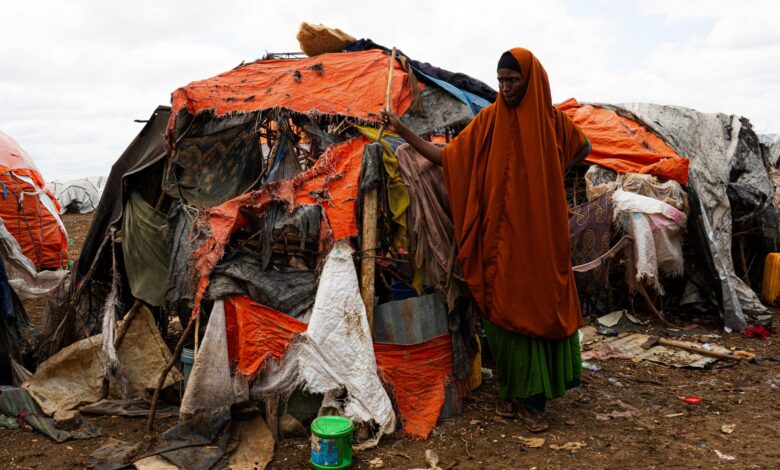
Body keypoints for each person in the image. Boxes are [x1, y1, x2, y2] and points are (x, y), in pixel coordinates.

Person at [381, 48, 591, 432]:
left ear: (531, 80)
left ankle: (533, 404)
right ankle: (513, 394)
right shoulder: (489, 121)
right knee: (501, 309)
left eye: (512, 81)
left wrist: (549, 172)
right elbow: (448, 158)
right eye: (500, 81)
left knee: (539, 306)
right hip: (500, 238)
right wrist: (402, 131)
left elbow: (584, 147)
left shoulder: (553, 122)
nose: (505, 88)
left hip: (542, 238)